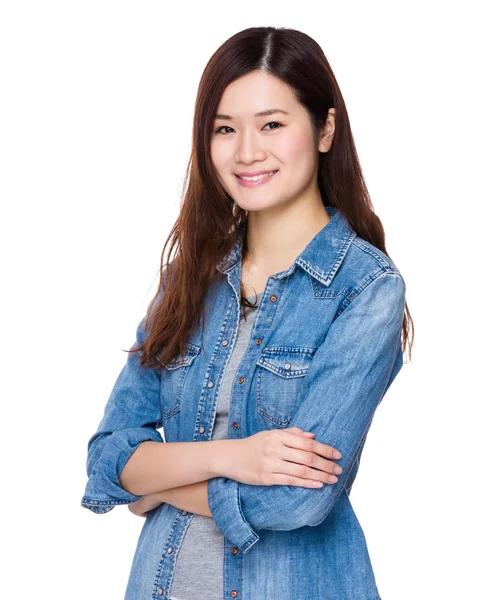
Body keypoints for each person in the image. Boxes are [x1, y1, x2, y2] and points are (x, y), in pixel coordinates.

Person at [81, 26, 414, 600]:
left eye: (272, 125)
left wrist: (158, 482)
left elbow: (298, 498)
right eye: (224, 129)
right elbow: (108, 459)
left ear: (325, 129)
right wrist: (235, 456)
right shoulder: (192, 277)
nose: (246, 152)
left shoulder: (367, 291)